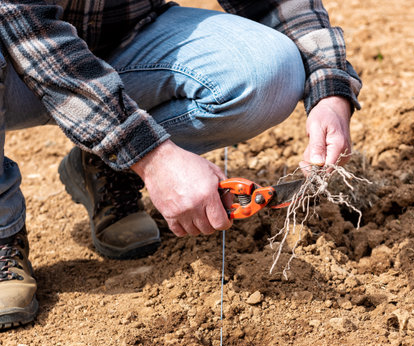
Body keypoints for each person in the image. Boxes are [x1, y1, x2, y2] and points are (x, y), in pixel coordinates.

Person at [0, 0, 361, 329]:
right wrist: (154, 157)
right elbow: (35, 42)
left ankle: (109, 164)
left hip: (129, 41)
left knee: (269, 70)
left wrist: (330, 92)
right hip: (19, 59)